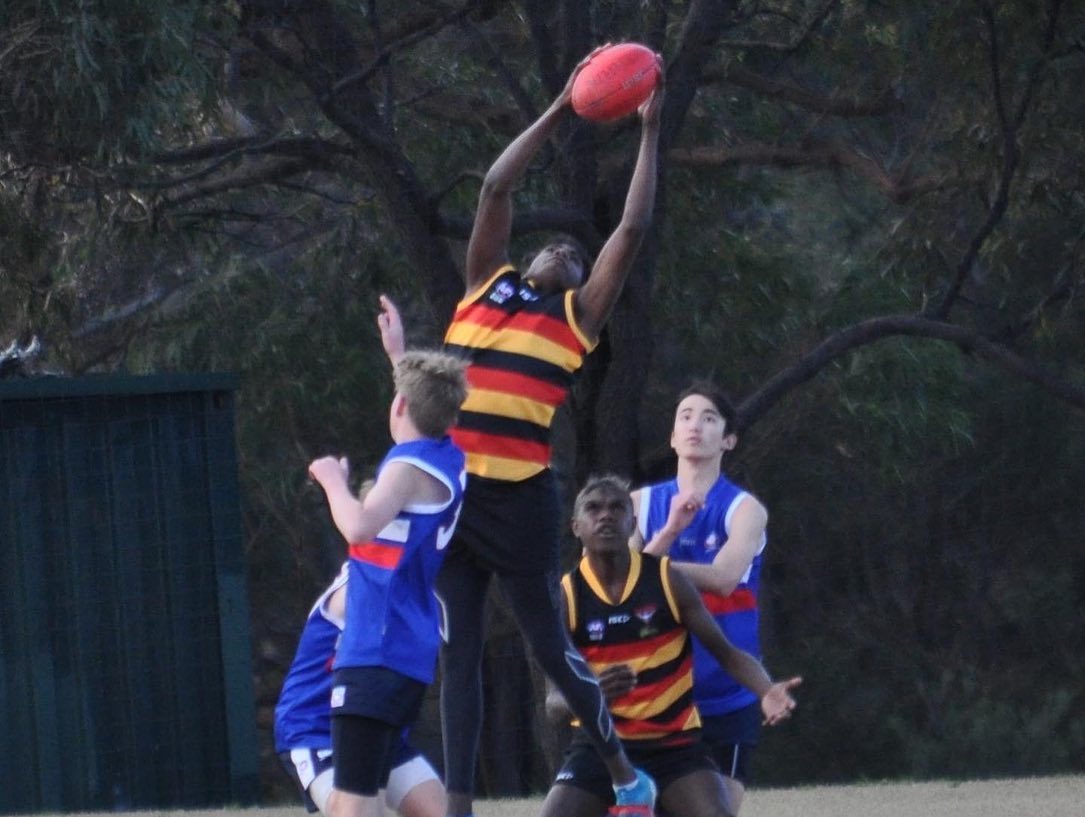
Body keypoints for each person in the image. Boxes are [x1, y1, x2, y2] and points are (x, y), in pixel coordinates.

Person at [428, 48, 665, 817]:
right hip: (454, 494)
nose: (568, 250)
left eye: (578, 253)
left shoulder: (576, 319)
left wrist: (649, 131)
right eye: (557, 244)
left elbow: (629, 226)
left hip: (522, 499)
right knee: (456, 652)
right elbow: (497, 184)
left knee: (551, 649)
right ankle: (458, 804)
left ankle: (623, 771)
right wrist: (563, 107)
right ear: (526, 256)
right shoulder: (482, 284)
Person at [541, 475, 800, 817]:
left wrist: (766, 690)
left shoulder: (666, 579)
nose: (605, 515)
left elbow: (726, 653)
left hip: (674, 745)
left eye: (617, 507)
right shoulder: (567, 597)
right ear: (576, 526)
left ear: (632, 522)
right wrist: (591, 696)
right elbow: (553, 703)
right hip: (600, 747)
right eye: (593, 508)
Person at [307, 297, 468, 817]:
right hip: (408, 653)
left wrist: (332, 478)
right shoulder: (448, 454)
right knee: (372, 796)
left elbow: (357, 525)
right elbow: (424, 404)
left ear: (398, 407)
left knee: (353, 805)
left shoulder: (404, 467)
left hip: (373, 649)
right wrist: (398, 353)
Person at [630, 382, 768, 814]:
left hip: (725, 695)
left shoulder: (744, 509)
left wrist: (650, 568)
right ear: (672, 436)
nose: (695, 426)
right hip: (653, 693)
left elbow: (724, 578)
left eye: (710, 418)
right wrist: (666, 535)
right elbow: (611, 583)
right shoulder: (638, 503)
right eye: (685, 416)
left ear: (728, 439)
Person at [274, 562, 446, 817]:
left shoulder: (425, 599)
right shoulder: (359, 586)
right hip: (315, 730)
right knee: (353, 810)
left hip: (381, 732)